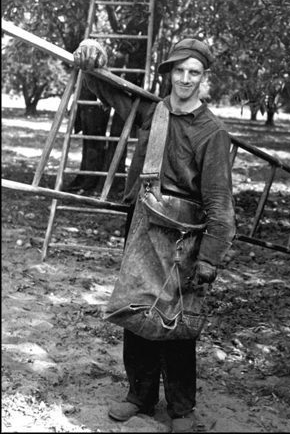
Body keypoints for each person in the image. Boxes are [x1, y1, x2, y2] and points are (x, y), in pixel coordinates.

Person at [73, 38, 236, 433]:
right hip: (143, 225)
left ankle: (181, 408)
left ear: (203, 78)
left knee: (177, 321)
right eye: (178, 71)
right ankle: (139, 395)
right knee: (137, 312)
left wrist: (211, 256)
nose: (185, 79)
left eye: (193, 72)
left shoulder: (212, 132)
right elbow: (104, 86)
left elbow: (218, 200)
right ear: (168, 74)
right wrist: (91, 52)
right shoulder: (151, 112)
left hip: (185, 236)